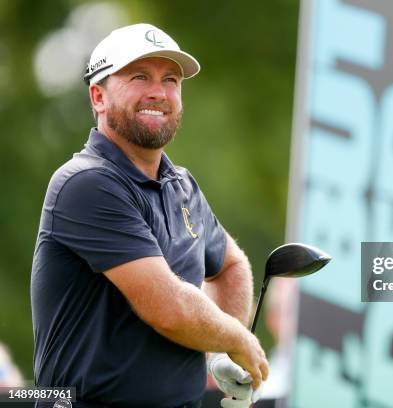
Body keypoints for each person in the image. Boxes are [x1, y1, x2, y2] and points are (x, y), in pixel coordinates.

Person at [31, 23, 268, 408]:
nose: (158, 92)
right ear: (98, 97)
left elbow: (230, 266)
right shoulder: (85, 183)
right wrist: (237, 340)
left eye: (170, 80)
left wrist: (220, 354)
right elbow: (168, 308)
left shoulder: (182, 186)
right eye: (139, 77)